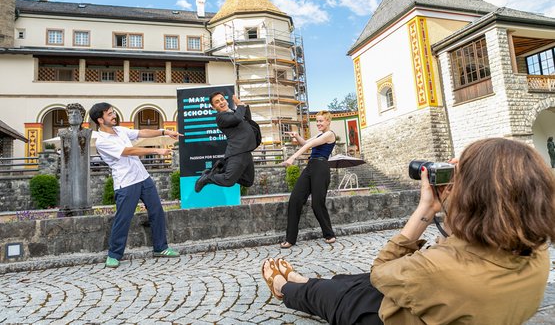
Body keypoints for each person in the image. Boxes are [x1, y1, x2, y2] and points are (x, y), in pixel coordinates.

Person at [262, 138, 555, 324]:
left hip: (389, 315)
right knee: (348, 279)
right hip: (441, 303)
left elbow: (381, 273)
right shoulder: (537, 252)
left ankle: (286, 288)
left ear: (473, 199)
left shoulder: (437, 268)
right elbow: (478, 233)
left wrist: (426, 208)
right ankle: (305, 280)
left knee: (337, 296)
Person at [89, 102, 183, 268]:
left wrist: (164, 131)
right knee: (123, 218)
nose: (114, 116)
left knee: (157, 211)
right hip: (126, 182)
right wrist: (156, 150)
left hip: (142, 177)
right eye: (109, 114)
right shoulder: (101, 141)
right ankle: (114, 254)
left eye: (113, 112)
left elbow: (142, 132)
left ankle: (161, 248)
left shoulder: (120, 130)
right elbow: (128, 151)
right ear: (100, 120)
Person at [279, 111, 336, 248]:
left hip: (321, 168)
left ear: (328, 122)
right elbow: (305, 143)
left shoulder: (330, 134)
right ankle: (290, 239)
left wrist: (293, 157)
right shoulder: (319, 135)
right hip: (310, 167)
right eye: (317, 121)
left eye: (321, 121)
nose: (318, 123)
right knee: (295, 200)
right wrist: (297, 136)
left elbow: (309, 146)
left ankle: (329, 234)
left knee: (317, 204)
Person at [194, 92, 256, 192]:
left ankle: (221, 171)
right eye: (217, 102)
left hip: (247, 151)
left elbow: (248, 120)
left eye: (222, 99)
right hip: (237, 152)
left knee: (248, 181)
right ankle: (207, 178)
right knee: (228, 180)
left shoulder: (234, 112)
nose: (221, 102)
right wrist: (239, 106)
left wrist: (244, 106)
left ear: (226, 100)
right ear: (214, 107)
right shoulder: (221, 117)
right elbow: (237, 118)